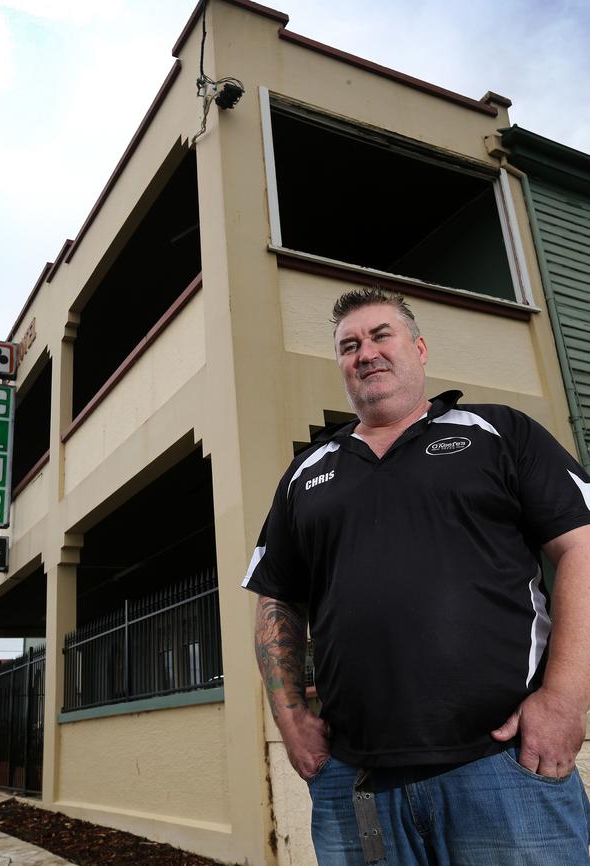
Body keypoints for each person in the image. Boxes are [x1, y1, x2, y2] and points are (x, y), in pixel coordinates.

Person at [242, 287, 590, 866]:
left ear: (420, 349)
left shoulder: (500, 433)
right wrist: (290, 717)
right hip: (356, 780)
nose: (366, 352)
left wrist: (565, 699)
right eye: (349, 345)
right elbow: (277, 597)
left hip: (503, 767)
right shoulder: (306, 474)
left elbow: (580, 547)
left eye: (382, 335)